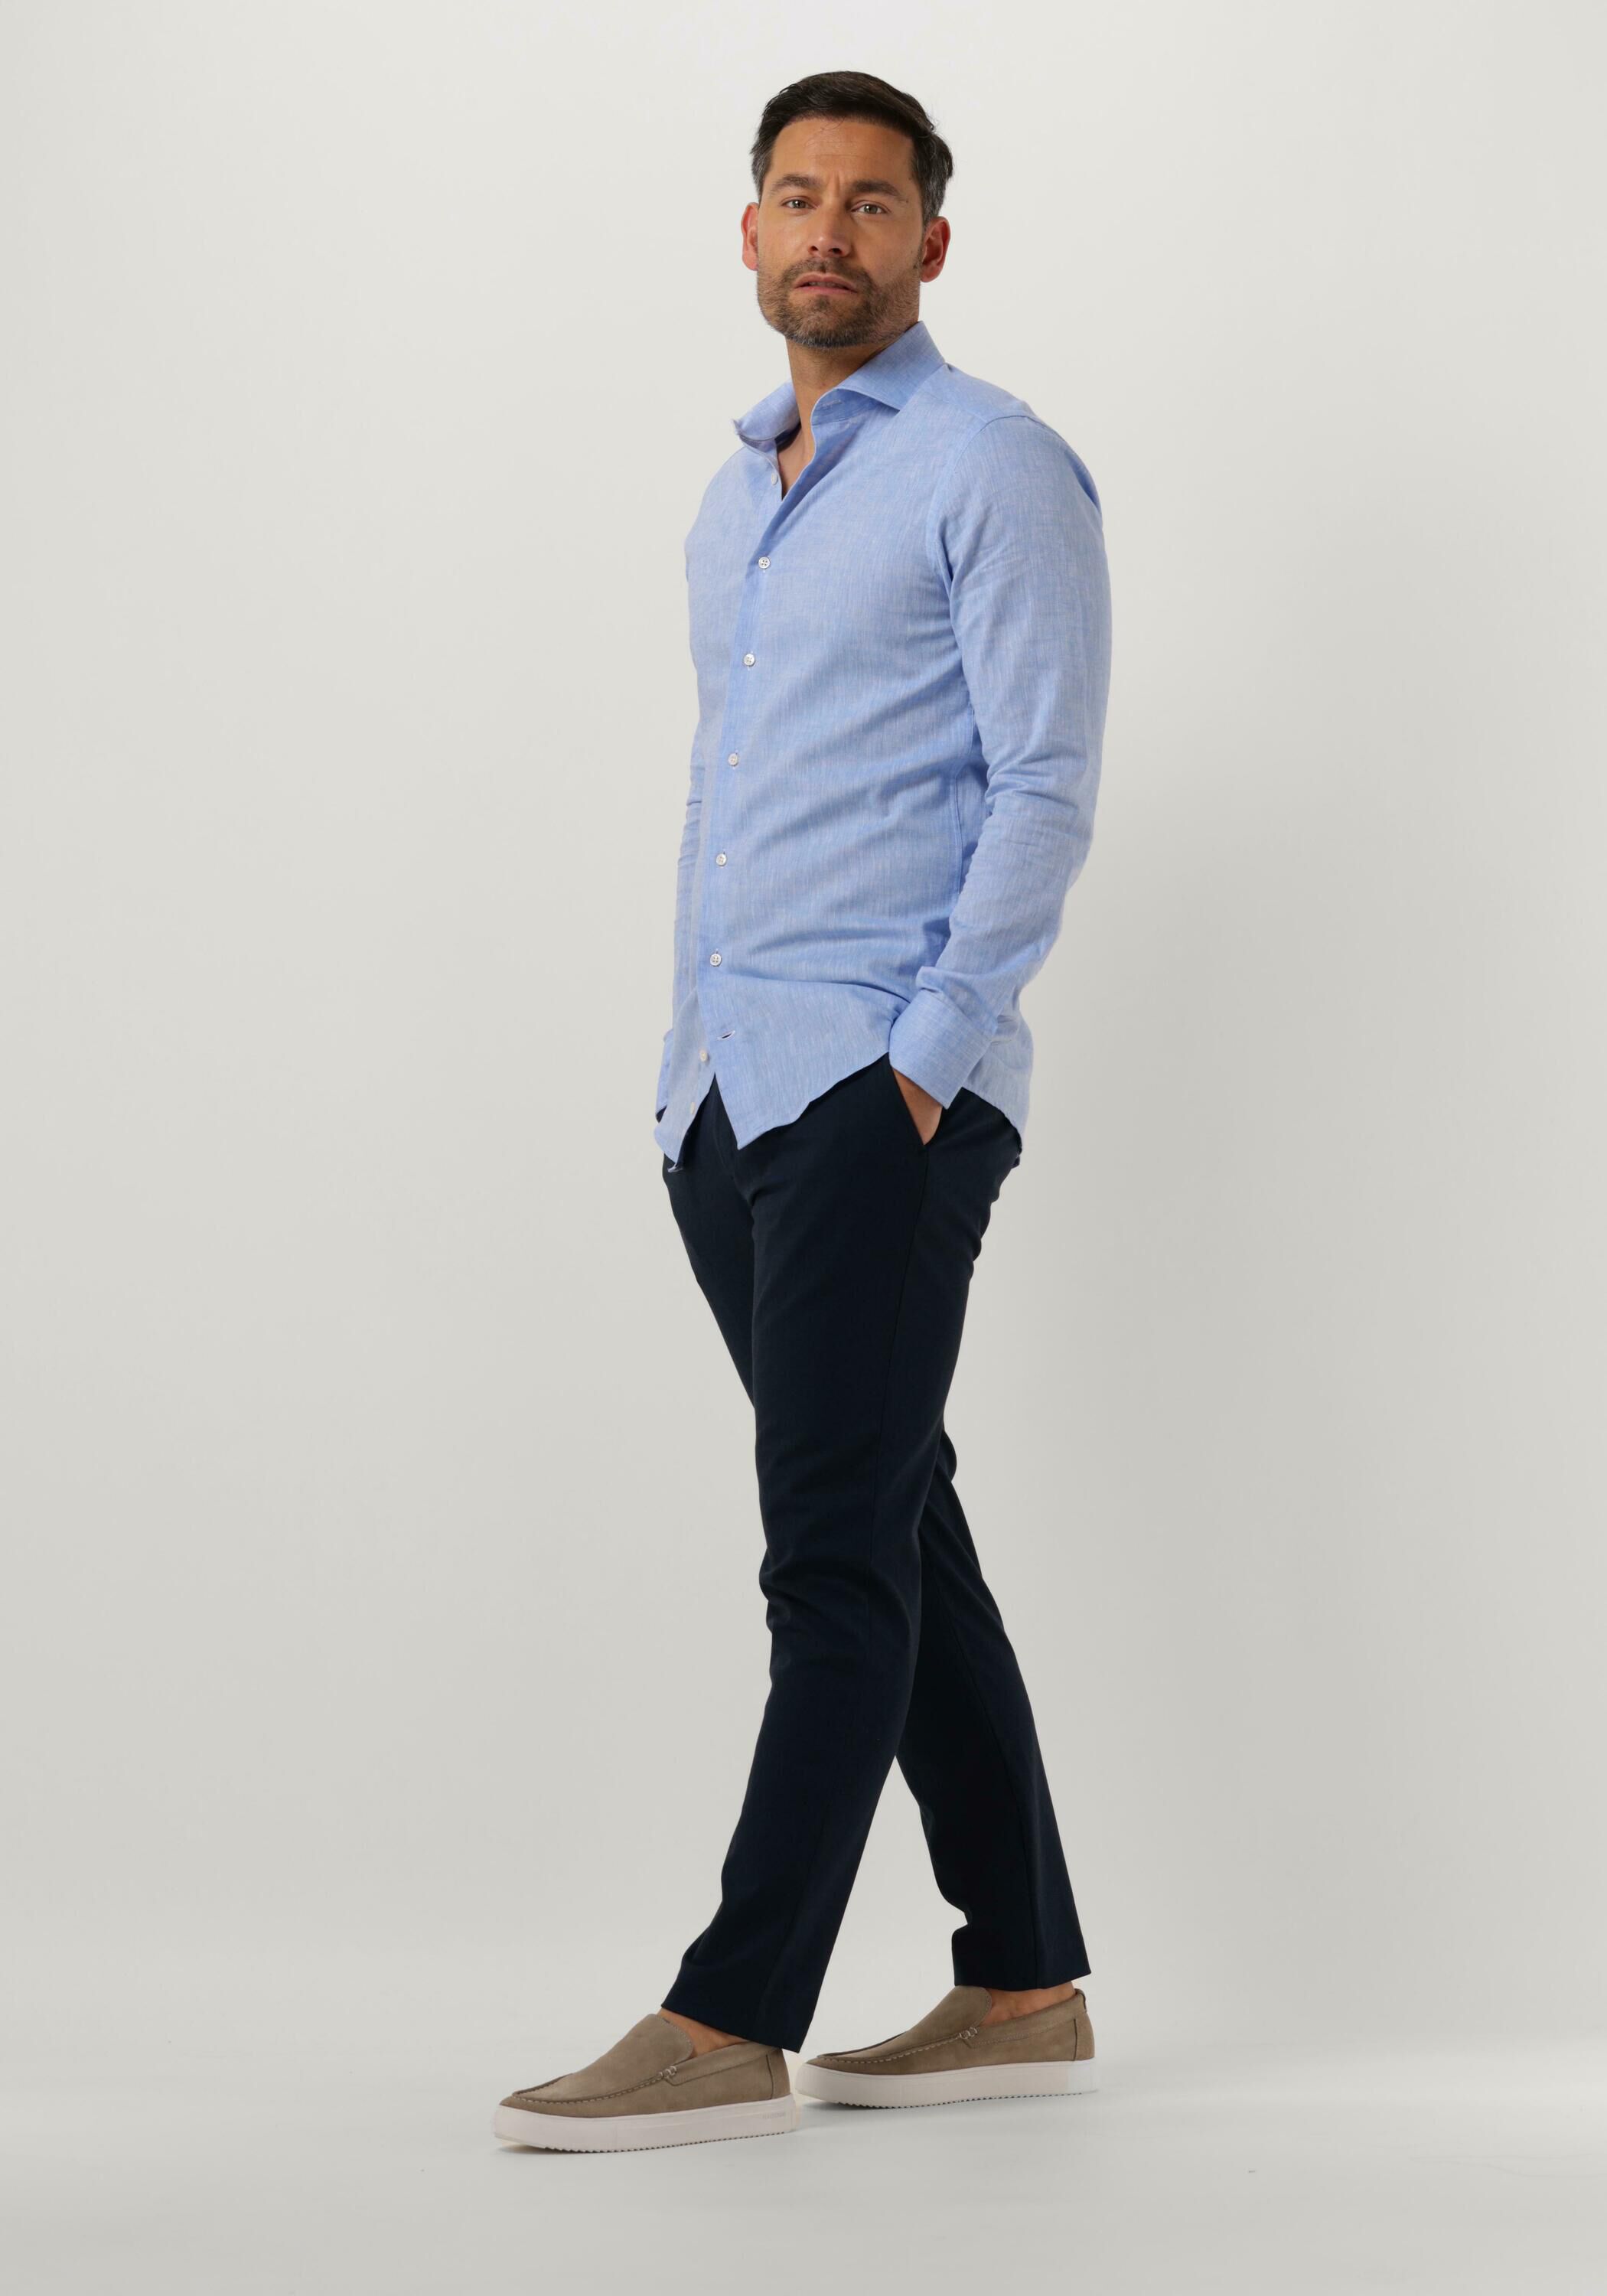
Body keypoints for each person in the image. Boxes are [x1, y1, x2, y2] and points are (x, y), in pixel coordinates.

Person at [494, 68, 1112, 2154]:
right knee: (895, 1517)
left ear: (931, 240)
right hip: (724, 1091)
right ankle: (1021, 1978)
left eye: (868, 200)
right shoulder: (734, 491)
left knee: (829, 1555)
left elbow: (1044, 783)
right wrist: (684, 1067)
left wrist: (926, 1058)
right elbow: (733, 791)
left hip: (876, 1087)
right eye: (794, 195)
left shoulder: (993, 463)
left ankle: (729, 2011)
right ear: (748, 233)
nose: (826, 230)